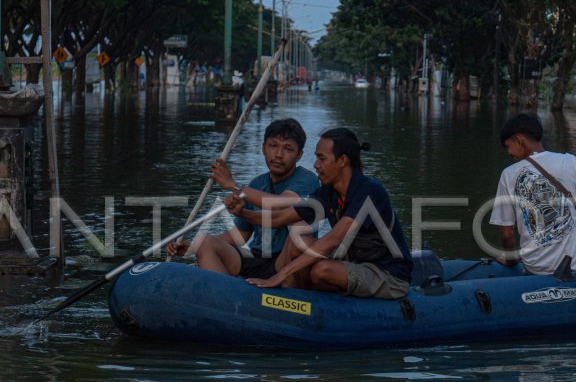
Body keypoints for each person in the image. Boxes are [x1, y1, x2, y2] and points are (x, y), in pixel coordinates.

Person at [249, 127, 412, 299]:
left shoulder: (370, 191)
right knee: (298, 241)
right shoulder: (328, 192)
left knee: (322, 270)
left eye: (321, 158)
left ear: (342, 160)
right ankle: (300, 299)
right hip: (353, 261)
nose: (315, 165)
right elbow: (280, 218)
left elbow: (333, 239)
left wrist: (282, 273)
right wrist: (242, 210)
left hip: (388, 275)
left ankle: (312, 301)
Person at [167, 118, 319, 278]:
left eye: (288, 149)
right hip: (255, 257)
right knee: (204, 242)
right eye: (273, 146)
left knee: (299, 234)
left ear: (299, 155)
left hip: (285, 262)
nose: (279, 155)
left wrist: (234, 187)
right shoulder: (256, 184)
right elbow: (238, 235)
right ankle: (223, 297)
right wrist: (192, 248)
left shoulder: (307, 179)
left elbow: (280, 205)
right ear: (263, 148)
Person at [490, 113, 576, 279]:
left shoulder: (507, 175)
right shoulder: (572, 162)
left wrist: (511, 259)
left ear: (519, 140)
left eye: (508, 146)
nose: (509, 153)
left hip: (535, 268)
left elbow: (507, 235)